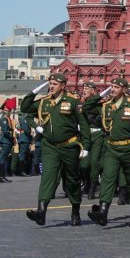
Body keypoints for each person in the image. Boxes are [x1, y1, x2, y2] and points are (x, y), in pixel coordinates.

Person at [21, 74, 91, 226]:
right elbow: (25, 107)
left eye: (54, 84)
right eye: (50, 84)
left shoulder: (73, 101)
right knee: (48, 177)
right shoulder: (44, 102)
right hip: (50, 146)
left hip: (69, 146)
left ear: (63, 85)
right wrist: (34, 92)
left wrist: (86, 146)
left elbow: (84, 125)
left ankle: (75, 210)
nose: (51, 86)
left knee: (72, 181)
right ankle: (41, 212)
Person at [85, 78, 130, 227]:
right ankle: (103, 213)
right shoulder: (106, 106)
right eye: (111, 87)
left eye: (116, 87)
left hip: (129, 148)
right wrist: (101, 94)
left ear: (124, 89)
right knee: (107, 179)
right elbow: (87, 106)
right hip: (111, 148)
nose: (112, 89)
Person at [0, 100, 16, 183]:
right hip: (6, 141)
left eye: (9, 109)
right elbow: (5, 131)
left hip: (7, 141)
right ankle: (1, 177)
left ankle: (3, 176)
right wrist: (12, 138)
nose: (9, 110)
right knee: (2, 158)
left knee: (4, 159)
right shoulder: (4, 119)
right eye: (7, 109)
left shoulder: (7, 118)